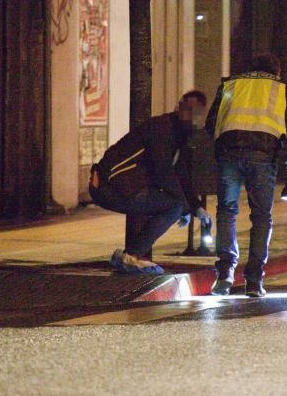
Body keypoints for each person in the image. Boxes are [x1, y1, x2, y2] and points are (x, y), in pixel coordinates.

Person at [204, 53, 287, 297]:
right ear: (276, 71)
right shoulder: (282, 88)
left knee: (227, 212)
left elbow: (211, 123)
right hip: (262, 155)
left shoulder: (231, 84)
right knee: (261, 217)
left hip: (229, 153)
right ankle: (253, 281)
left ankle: (225, 275)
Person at [89, 91, 211, 274]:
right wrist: (185, 208)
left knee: (174, 205)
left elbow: (181, 174)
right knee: (174, 207)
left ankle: (127, 256)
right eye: (188, 110)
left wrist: (195, 206)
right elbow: (163, 171)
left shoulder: (180, 134)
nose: (191, 116)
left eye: (196, 113)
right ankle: (131, 256)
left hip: (122, 185)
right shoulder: (161, 129)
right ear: (178, 107)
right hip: (110, 185)